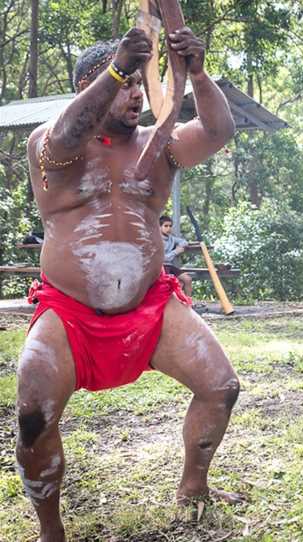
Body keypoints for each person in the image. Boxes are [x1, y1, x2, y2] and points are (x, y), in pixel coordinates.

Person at [18, 27, 240, 542]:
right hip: (69, 314)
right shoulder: (52, 147)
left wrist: (199, 73)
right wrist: (115, 67)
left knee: (220, 387)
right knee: (33, 413)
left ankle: (193, 487)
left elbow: (218, 130)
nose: (136, 92)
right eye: (124, 83)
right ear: (87, 89)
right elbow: (65, 135)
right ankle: (51, 531)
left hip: (151, 307)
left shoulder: (159, 147)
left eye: (140, 82)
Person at [160, 215, 193, 297]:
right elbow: (161, 259)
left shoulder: (171, 238)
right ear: (159, 227)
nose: (168, 228)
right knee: (178, 284)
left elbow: (184, 242)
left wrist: (180, 246)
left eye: (170, 226)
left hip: (170, 266)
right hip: (160, 267)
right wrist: (175, 251)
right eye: (166, 226)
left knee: (188, 279)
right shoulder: (157, 239)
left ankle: (188, 303)